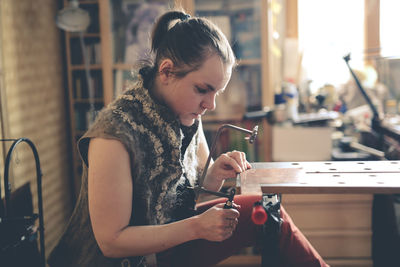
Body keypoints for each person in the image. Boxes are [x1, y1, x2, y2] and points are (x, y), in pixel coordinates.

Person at [48, 10, 328, 267]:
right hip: (120, 260)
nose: (211, 104)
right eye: (203, 90)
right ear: (167, 71)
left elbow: (189, 199)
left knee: (266, 212)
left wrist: (214, 176)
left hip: (169, 242)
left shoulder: (187, 112)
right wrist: (196, 227)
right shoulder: (114, 135)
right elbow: (111, 242)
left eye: (216, 92)